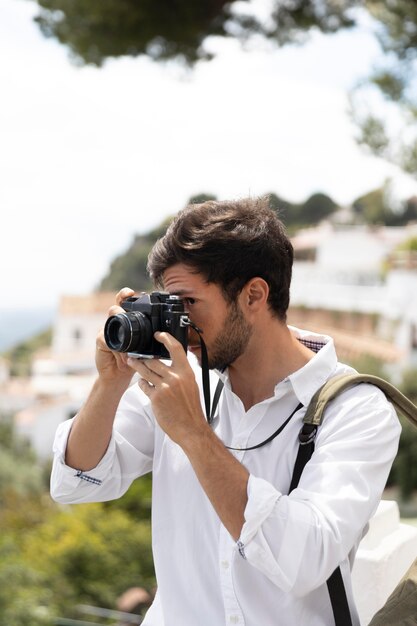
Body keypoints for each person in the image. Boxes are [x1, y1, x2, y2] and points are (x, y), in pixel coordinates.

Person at [51, 197, 401, 626]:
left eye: (188, 303)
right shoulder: (182, 384)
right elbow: (75, 481)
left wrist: (196, 435)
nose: (176, 324)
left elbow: (306, 558)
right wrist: (110, 384)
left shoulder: (355, 410)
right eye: (169, 304)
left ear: (253, 294)